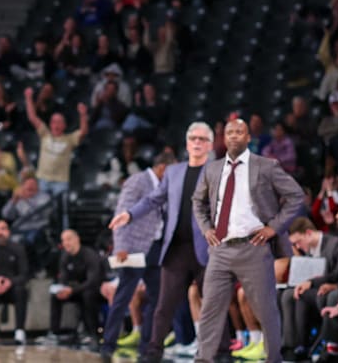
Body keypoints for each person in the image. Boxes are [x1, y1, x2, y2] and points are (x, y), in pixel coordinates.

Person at [191, 119, 304, 363]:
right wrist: (206, 228)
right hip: (220, 249)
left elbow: (296, 195)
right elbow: (197, 202)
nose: (233, 136)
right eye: (229, 132)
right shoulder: (212, 169)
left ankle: (274, 359)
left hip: (253, 247)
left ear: (248, 137)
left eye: (238, 132)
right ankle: (203, 360)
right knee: (210, 310)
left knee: (266, 311)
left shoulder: (266, 166)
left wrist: (273, 227)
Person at [108, 122, 215, 362]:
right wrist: (130, 214)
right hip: (174, 247)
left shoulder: (218, 171)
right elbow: (153, 200)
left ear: (209, 144)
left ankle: (221, 351)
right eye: (192, 138)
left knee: (213, 302)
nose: (197, 143)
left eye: (202, 139)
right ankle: (152, 351)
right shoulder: (174, 173)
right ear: (187, 144)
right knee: (164, 304)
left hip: (206, 246)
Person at [102, 153, 175, 358]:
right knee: (124, 296)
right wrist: (121, 247)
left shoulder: (165, 186)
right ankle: (108, 344)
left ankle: (146, 344)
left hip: (155, 247)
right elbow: (121, 212)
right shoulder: (137, 181)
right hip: (133, 248)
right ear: (162, 168)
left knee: (158, 296)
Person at [281, 217, 338, 360]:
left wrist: (312, 282)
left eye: (298, 242)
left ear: (308, 233)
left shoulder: (334, 244)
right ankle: (293, 345)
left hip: (331, 287)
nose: (298, 246)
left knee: (324, 295)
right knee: (291, 294)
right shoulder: (307, 250)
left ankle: (324, 346)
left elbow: (336, 274)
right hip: (319, 287)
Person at [24, 87, 88, 196]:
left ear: (64, 125)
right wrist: (28, 98)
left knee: (60, 209)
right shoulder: (45, 134)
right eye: (54, 122)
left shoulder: (69, 139)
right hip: (43, 179)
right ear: (50, 124)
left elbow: (83, 132)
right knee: (42, 209)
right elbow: (32, 117)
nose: (56, 124)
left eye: (59, 122)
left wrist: (83, 115)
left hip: (60, 181)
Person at [44, 229, 101, 346]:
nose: (66, 243)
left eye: (69, 239)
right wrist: (62, 289)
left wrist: (72, 290)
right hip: (75, 290)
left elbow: (92, 281)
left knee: (88, 295)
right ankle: (54, 333)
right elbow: (63, 277)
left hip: (93, 289)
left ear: (77, 239)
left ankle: (92, 333)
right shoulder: (65, 256)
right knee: (56, 295)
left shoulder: (89, 255)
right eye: (63, 240)